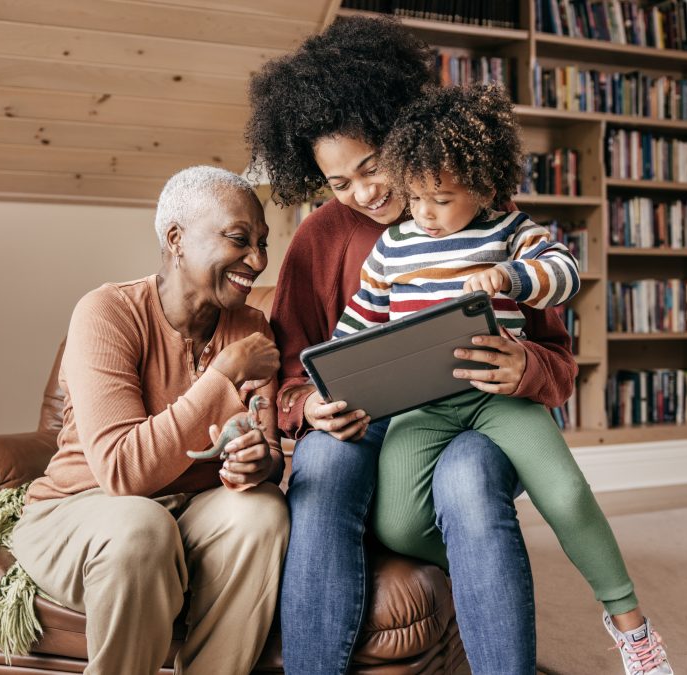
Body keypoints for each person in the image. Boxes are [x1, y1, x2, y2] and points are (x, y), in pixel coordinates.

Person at [246, 16, 575, 674]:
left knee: (470, 476)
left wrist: (523, 367)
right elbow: (288, 374)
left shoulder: (481, 210)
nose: (363, 192)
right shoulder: (319, 238)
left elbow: (557, 363)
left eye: (371, 166)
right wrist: (308, 407)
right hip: (366, 421)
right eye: (338, 183)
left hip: (473, 415)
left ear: (399, 129)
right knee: (324, 466)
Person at [336, 83, 673, 675]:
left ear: (485, 186)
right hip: (424, 406)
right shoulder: (392, 247)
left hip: (500, 398)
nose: (424, 213)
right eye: (413, 197)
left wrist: (511, 278)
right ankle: (489, 566)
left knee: (566, 494)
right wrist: (332, 380)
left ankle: (631, 626)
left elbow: (564, 272)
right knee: (396, 521)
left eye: (440, 198)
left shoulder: (511, 229)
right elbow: (357, 325)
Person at [7, 166, 290, 674]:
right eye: (239, 239)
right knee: (142, 525)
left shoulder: (250, 326)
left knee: (262, 510)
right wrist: (221, 376)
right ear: (176, 239)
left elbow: (267, 452)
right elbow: (123, 473)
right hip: (82, 510)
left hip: (190, 511)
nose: (258, 260)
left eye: (263, 243)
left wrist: (257, 464)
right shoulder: (106, 313)